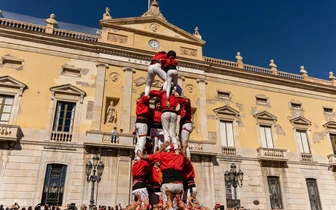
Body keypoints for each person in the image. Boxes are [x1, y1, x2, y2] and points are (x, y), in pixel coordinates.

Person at [134, 93, 155, 160]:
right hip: (143, 123)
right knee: (142, 140)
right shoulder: (142, 100)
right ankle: (140, 156)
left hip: (138, 123)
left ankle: (136, 156)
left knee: (138, 141)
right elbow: (148, 96)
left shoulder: (140, 104)